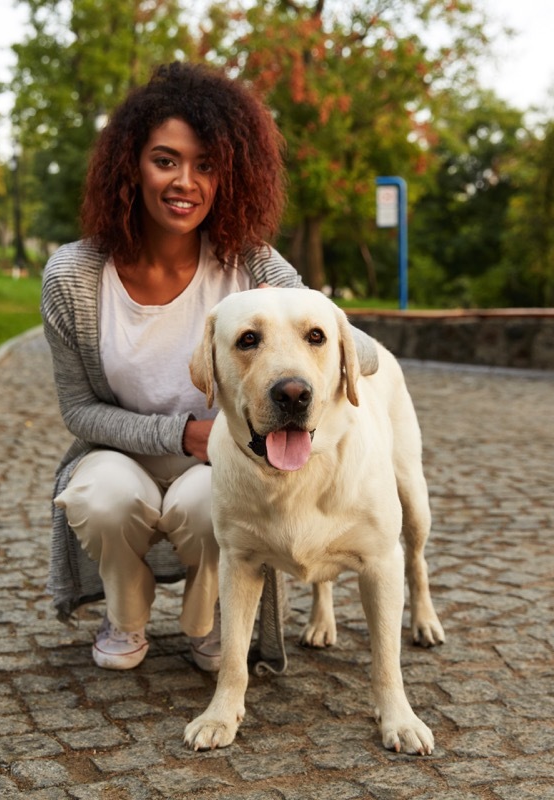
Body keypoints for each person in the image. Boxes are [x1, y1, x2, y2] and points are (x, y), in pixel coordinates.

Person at [41, 61, 377, 671]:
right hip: (120, 456)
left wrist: (349, 352)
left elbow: (330, 337)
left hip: (223, 460)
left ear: (231, 174)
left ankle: (207, 623)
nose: (184, 182)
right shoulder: (73, 276)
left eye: (206, 165)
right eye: (165, 160)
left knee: (210, 499)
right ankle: (125, 620)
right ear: (130, 165)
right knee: (99, 495)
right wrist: (180, 434)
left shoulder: (250, 265)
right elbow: (78, 409)